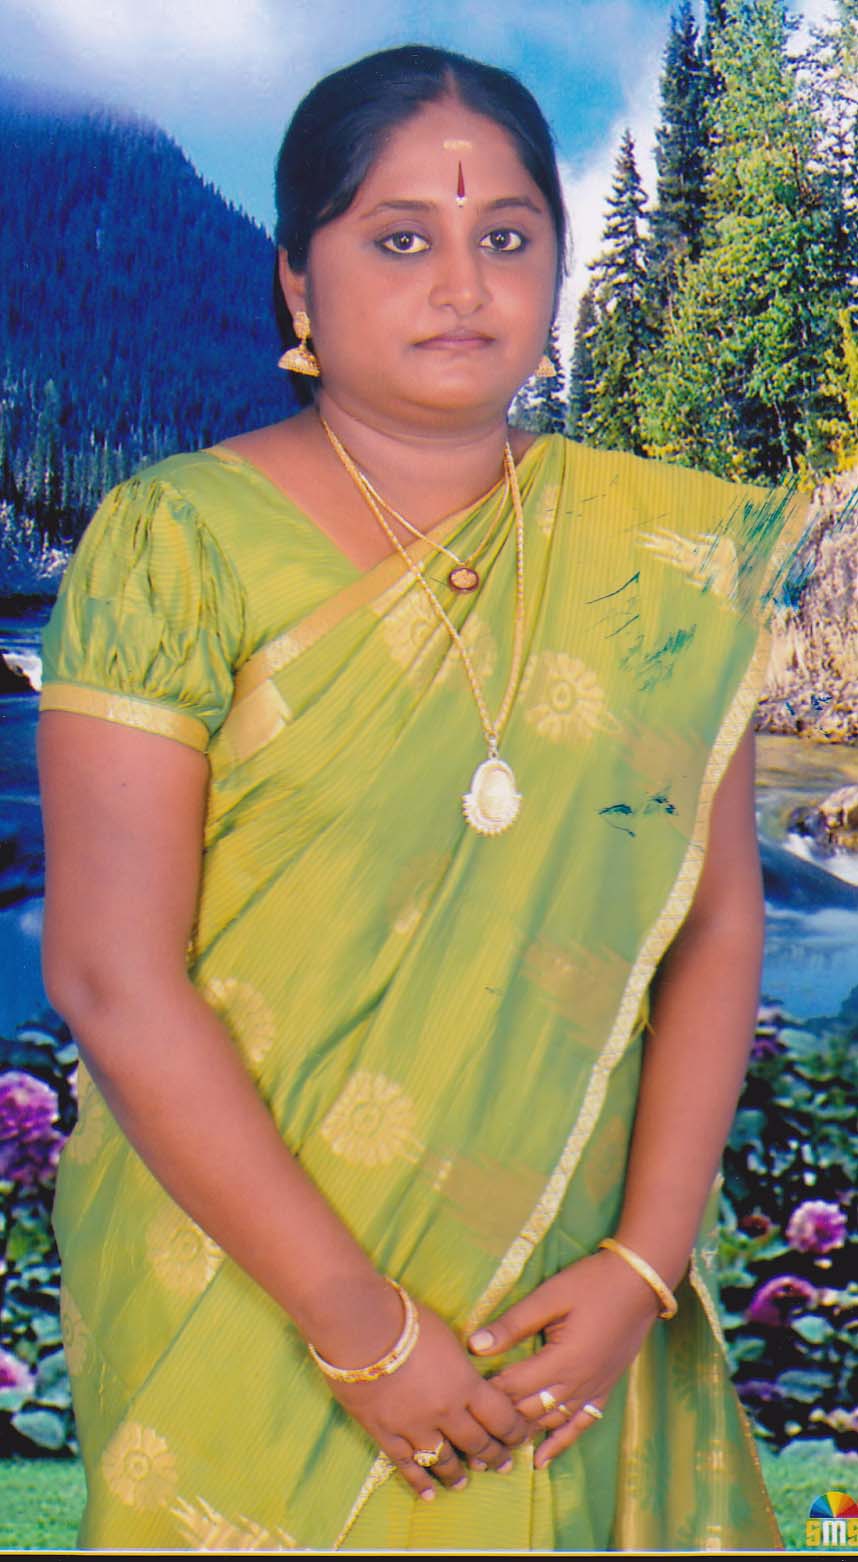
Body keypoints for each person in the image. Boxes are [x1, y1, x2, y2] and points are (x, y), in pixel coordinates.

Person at [37, 44, 806, 1552]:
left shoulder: (654, 559)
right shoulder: (176, 545)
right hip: (242, 1288)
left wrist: (644, 1264)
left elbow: (715, 924)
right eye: (400, 239)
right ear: (298, 282)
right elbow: (109, 972)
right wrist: (357, 1323)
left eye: (505, 237)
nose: (463, 284)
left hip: (565, 1296)